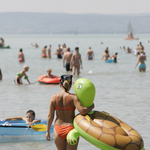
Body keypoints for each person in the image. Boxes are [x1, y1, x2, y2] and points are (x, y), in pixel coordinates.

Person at [46, 75, 94, 150]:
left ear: (60, 85)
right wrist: (92, 106)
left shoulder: (53, 98)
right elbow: (82, 111)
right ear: (71, 85)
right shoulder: (73, 97)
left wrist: (47, 131)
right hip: (71, 129)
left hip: (58, 129)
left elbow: (50, 116)